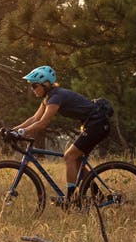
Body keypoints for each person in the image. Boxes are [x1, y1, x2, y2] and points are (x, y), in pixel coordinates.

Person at [10, 64, 115, 200]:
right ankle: (98, 195)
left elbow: (42, 123)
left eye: (34, 86)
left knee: (70, 156)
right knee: (75, 159)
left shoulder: (56, 96)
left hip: (98, 124)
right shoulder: (49, 98)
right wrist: (12, 130)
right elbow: (34, 118)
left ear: (46, 84)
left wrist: (21, 133)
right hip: (93, 124)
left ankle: (70, 199)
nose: (32, 89)